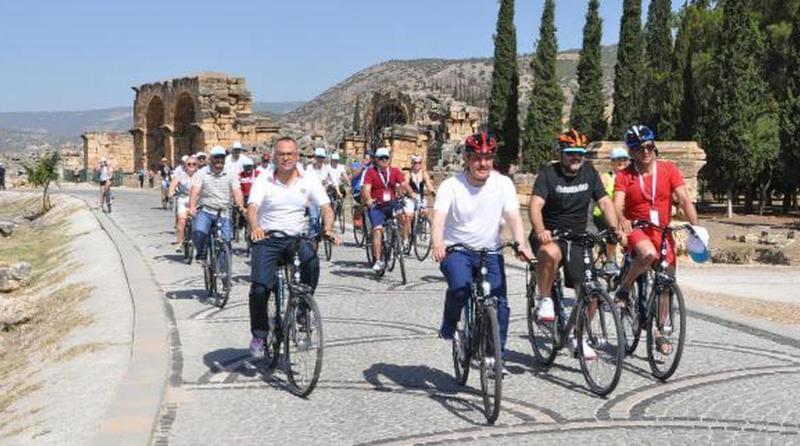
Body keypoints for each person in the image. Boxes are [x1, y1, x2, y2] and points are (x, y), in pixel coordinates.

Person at [431, 133, 532, 374]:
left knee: (500, 304)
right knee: (460, 287)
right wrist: (438, 243)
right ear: (467, 159)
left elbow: (513, 217)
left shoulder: (503, 184)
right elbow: (439, 219)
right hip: (458, 250)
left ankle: (494, 357)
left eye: (487, 158)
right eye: (477, 158)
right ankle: (450, 322)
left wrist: (521, 243)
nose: (483, 163)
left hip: (491, 251)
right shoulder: (451, 186)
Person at [528, 129, 619, 360]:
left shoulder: (589, 173)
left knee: (592, 292)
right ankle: (545, 299)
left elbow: (605, 202)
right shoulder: (549, 174)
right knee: (550, 253)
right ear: (561, 153)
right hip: (552, 235)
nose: (576, 157)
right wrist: (540, 230)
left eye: (580, 153)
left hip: (578, 237)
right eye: (570, 153)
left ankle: (579, 336)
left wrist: (614, 228)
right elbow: (535, 205)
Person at [245, 136, 338, 358]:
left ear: (297, 156)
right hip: (267, 238)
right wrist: (255, 227)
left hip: (296, 238)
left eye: (290, 154)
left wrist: (328, 228)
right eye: (281, 154)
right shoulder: (264, 179)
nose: (285, 158)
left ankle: (303, 310)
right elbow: (252, 207)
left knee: (312, 262)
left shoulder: (309, 179)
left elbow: (326, 207)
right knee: (260, 289)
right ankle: (259, 334)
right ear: (274, 157)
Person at [613, 125, 700, 355]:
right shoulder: (625, 175)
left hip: (661, 230)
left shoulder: (668, 169)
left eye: (649, 147)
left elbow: (684, 199)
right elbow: (617, 204)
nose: (645, 152)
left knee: (666, 280)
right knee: (648, 254)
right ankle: (624, 288)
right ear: (631, 152)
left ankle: (661, 330)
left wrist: (696, 227)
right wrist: (621, 219)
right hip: (638, 229)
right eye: (638, 148)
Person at [362, 147, 416, 272]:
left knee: (403, 215)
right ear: (376, 160)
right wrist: (368, 199)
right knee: (377, 230)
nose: (384, 160)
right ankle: (378, 260)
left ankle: (401, 240)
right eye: (381, 158)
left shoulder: (395, 171)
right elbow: (366, 188)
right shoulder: (370, 172)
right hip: (377, 205)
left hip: (391, 203)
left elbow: (404, 184)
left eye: (386, 158)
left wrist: (411, 193)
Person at [188, 146, 246, 262]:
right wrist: (192, 207)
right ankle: (202, 251)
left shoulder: (230, 173)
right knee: (198, 232)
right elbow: (195, 190)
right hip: (206, 210)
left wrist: (241, 206)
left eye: (222, 158)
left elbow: (237, 191)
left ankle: (223, 269)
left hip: (223, 211)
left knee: (226, 241)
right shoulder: (202, 173)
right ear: (211, 159)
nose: (219, 160)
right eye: (216, 157)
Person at [592, 147, 630, 274]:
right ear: (612, 162)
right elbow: (600, 198)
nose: (621, 162)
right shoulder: (606, 177)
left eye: (624, 159)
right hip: (603, 214)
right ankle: (610, 261)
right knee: (614, 230)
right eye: (617, 159)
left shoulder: (630, 177)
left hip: (623, 214)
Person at [403, 154, 437, 241]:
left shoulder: (423, 173)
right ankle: (406, 238)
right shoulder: (408, 174)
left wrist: (432, 191)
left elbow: (428, 184)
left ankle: (433, 233)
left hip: (420, 197)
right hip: (410, 197)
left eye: (419, 162)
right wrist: (410, 193)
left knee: (427, 212)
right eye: (415, 163)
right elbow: (406, 184)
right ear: (412, 163)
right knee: (408, 217)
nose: (417, 164)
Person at [168, 155, 199, 250]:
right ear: (185, 165)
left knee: (199, 222)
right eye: (189, 164)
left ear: (197, 165)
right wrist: (171, 193)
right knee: (181, 221)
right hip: (183, 198)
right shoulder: (180, 176)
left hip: (197, 200)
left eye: (194, 164)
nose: (191, 166)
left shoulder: (201, 176)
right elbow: (172, 186)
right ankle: (180, 243)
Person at [306, 148, 333, 235]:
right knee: (314, 217)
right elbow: (307, 181)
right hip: (312, 195)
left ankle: (325, 229)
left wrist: (331, 185)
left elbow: (332, 179)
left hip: (323, 194)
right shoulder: (310, 168)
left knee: (327, 211)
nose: (320, 159)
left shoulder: (326, 168)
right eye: (318, 157)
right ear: (315, 157)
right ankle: (313, 234)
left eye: (322, 157)